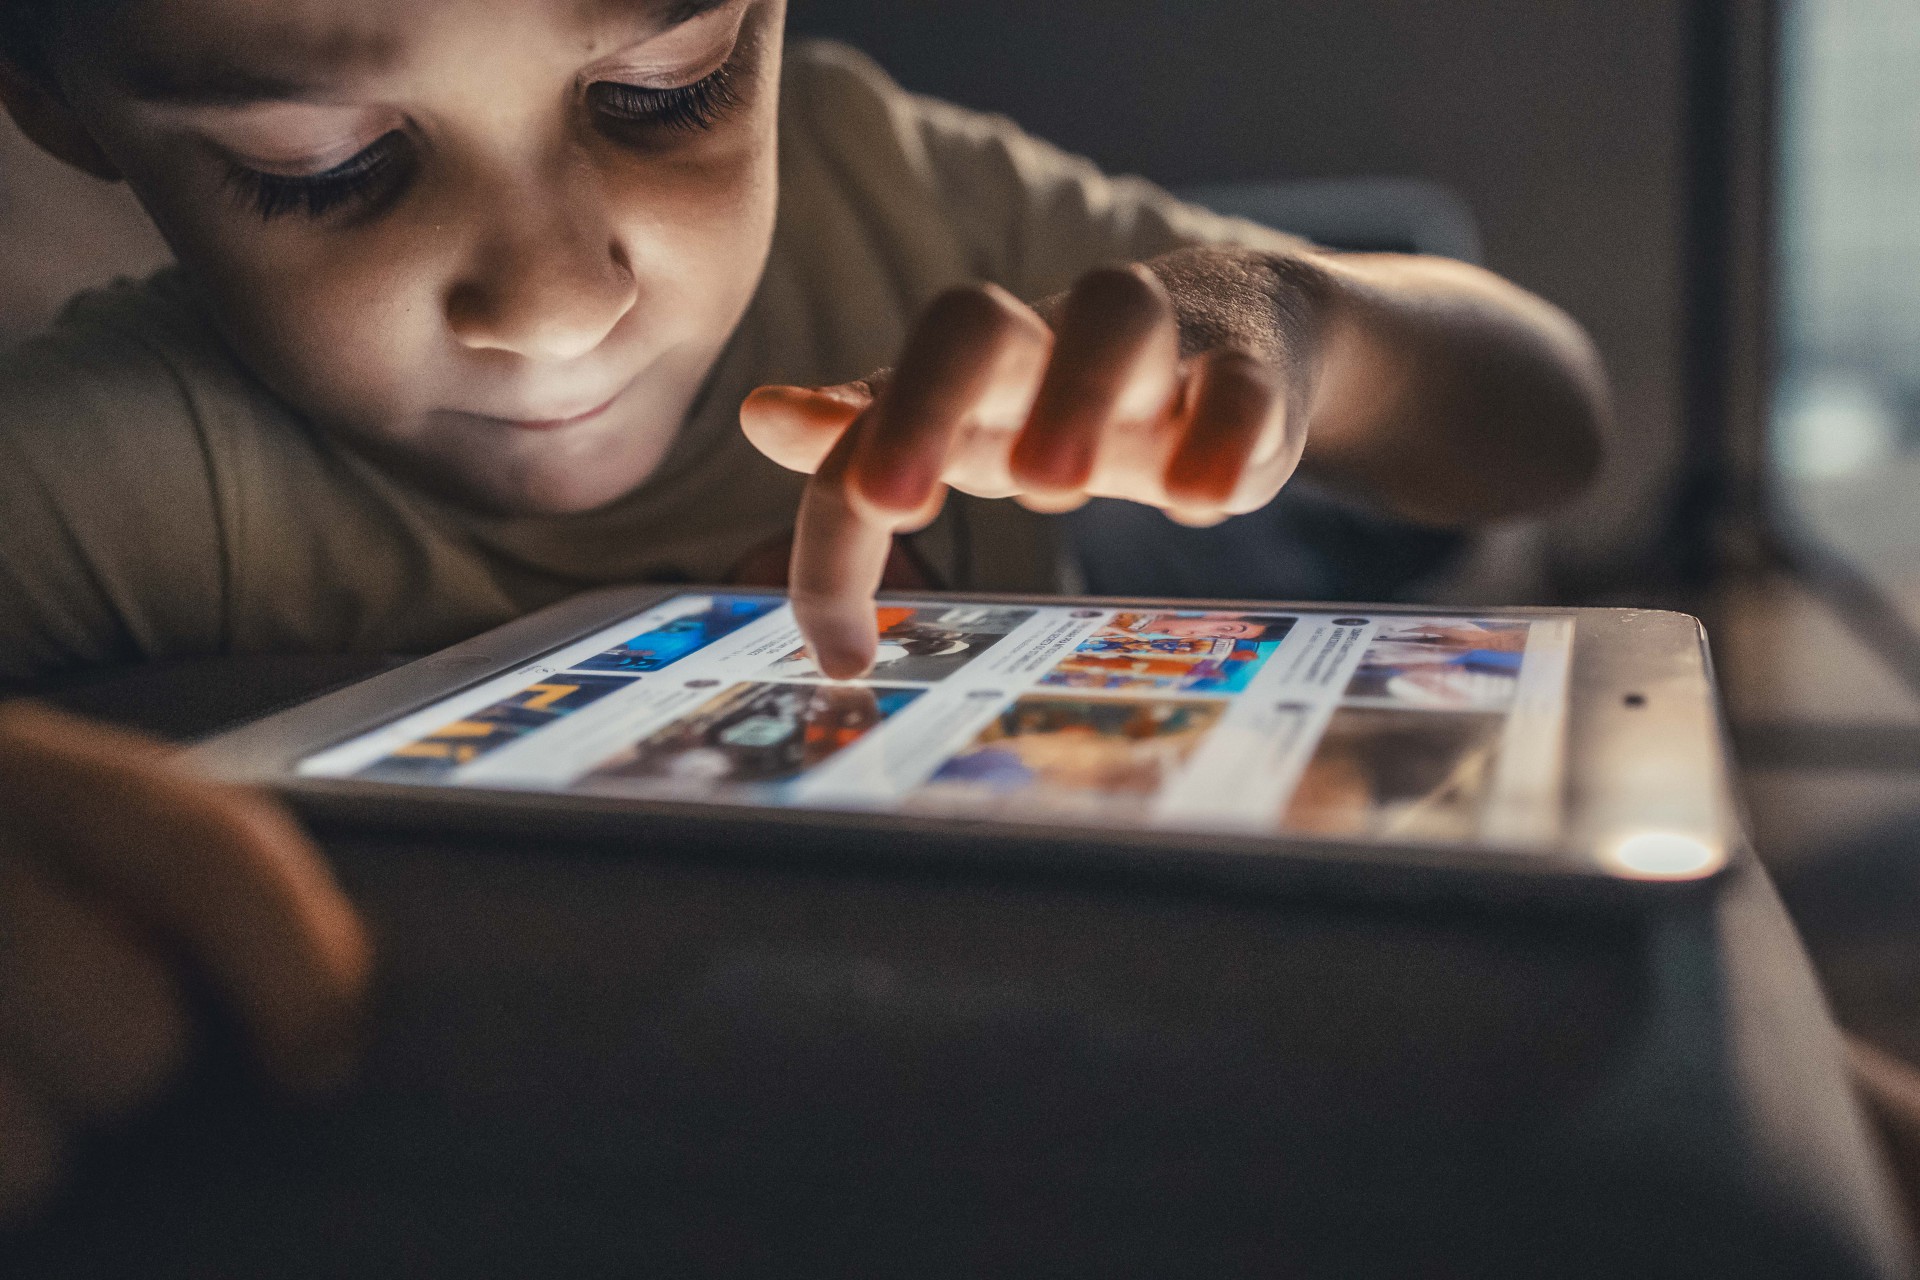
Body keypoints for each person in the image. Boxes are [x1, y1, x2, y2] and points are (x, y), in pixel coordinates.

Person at [0, 0, 1609, 1221]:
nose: (563, 309)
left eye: (666, 90)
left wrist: (1298, 314)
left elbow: (1553, 427)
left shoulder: (890, 194)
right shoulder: (90, 475)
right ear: (60, 106)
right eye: (324, 169)